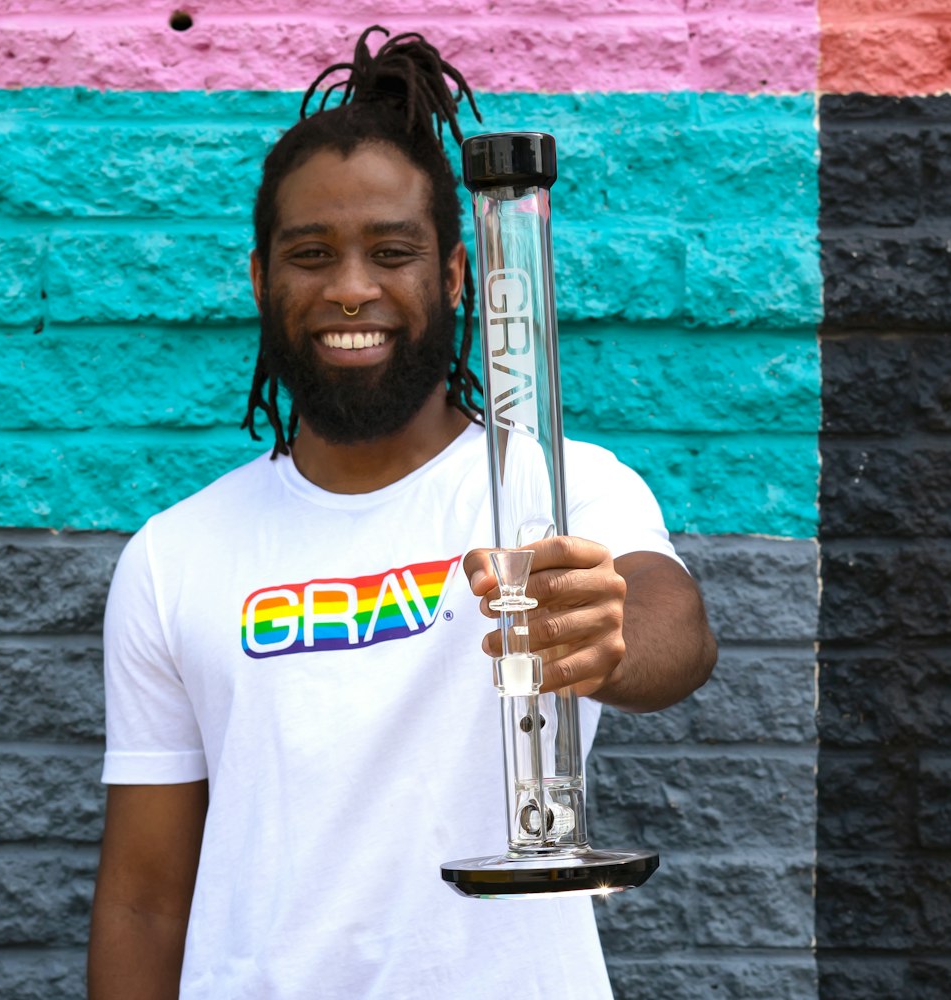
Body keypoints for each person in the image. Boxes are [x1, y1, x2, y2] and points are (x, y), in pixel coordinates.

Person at [87, 26, 716, 1000]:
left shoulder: (555, 487)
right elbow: (143, 899)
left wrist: (608, 638)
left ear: (456, 277)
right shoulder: (174, 555)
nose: (350, 287)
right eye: (311, 253)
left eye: (391, 251)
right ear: (260, 280)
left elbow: (671, 628)